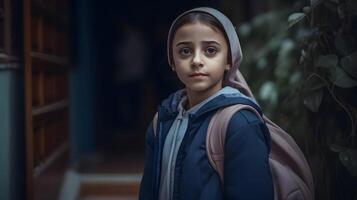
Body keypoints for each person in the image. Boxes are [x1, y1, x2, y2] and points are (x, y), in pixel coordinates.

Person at [139, 7, 274, 200]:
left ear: (229, 60)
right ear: (172, 61)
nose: (196, 60)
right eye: (185, 51)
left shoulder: (240, 123)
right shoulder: (162, 120)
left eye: (210, 50)